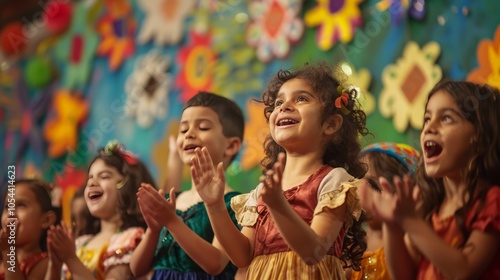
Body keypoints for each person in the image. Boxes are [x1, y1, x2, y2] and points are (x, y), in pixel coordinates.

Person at [192, 62, 369, 278]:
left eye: (301, 98)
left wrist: (279, 207)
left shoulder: (334, 180)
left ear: (330, 124)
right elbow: (242, 256)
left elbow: (314, 252)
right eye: (279, 102)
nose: (284, 106)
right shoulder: (263, 191)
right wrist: (215, 205)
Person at [360, 80, 500, 279]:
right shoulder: (430, 206)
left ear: (479, 136)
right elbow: (403, 275)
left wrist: (409, 220)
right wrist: (392, 224)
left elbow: (464, 270)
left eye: (447, 118)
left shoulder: (491, 201)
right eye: (427, 119)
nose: (429, 127)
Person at [130, 92, 245, 279]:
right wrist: (153, 230)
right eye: (183, 130)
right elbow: (136, 269)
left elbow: (216, 264)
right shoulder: (171, 201)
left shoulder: (236, 203)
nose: (189, 134)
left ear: (231, 146)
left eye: (203, 127)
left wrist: (172, 221)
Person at [46, 140, 157, 280]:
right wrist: (54, 264)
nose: (91, 183)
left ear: (127, 186)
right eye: (89, 178)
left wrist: (71, 258)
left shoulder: (129, 239)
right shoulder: (81, 243)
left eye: (104, 176)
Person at [349, 142, 419, 280]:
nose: (360, 192)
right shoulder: (353, 240)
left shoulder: (409, 241)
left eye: (372, 185)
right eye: (356, 182)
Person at [0, 178, 59, 279]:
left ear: (46, 220)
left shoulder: (45, 264)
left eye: (21, 205)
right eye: (7, 207)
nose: (11, 213)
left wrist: (9, 252)